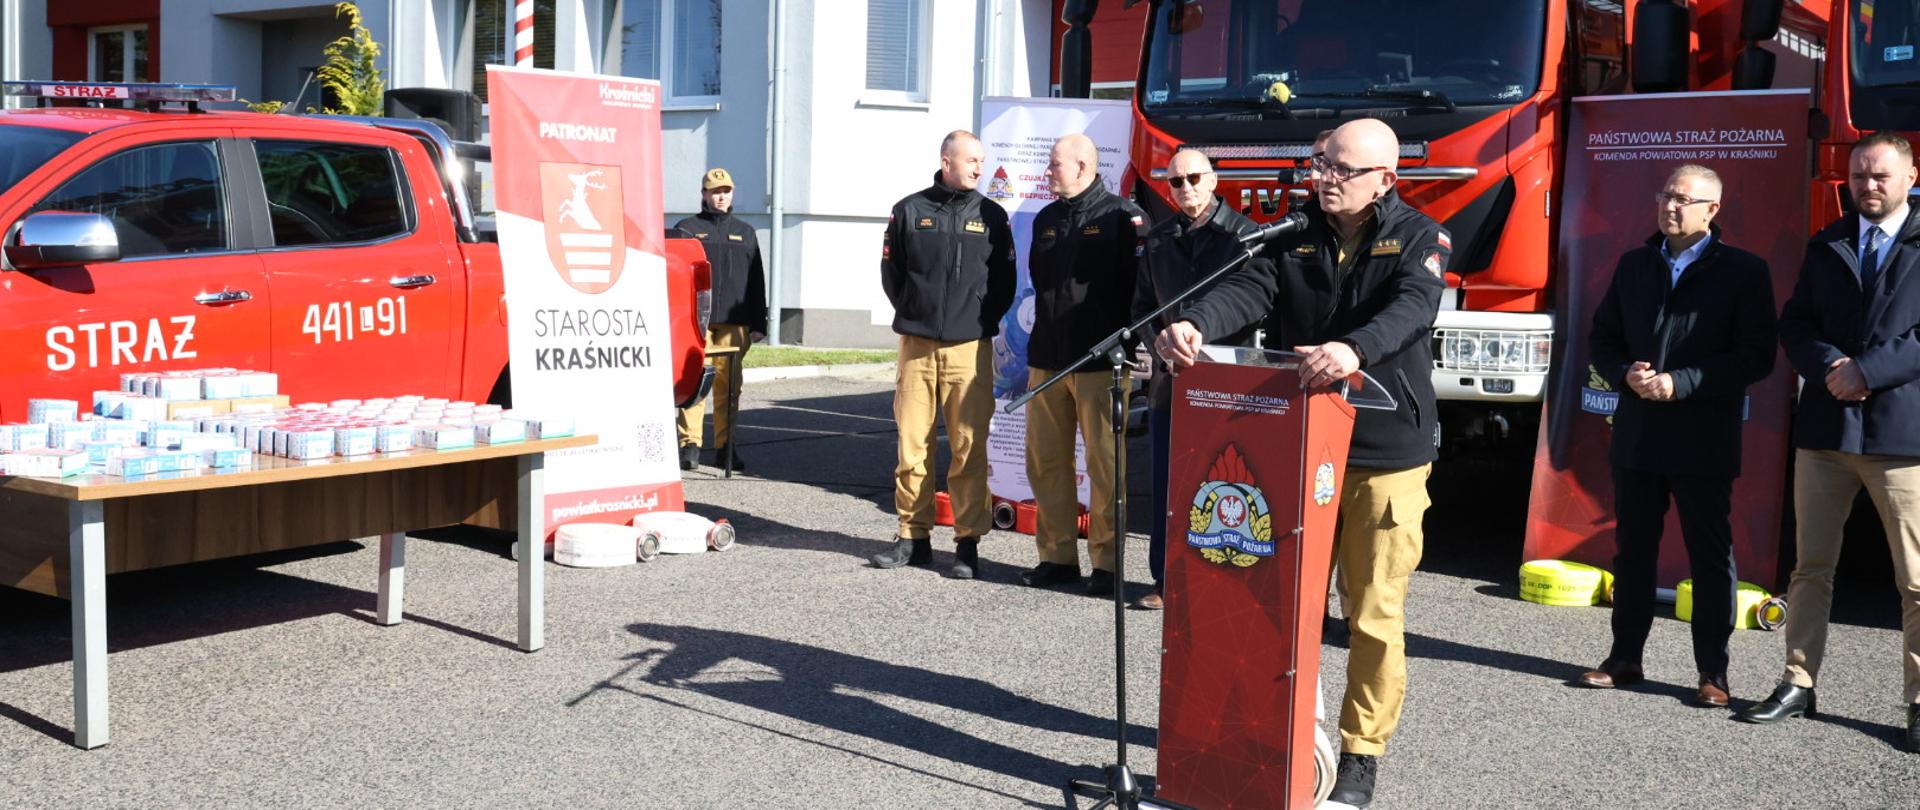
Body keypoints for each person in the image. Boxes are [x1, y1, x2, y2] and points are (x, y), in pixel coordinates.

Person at [1155, 119, 1447, 808]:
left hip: (1385, 452)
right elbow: (1250, 290)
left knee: (1373, 611)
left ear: (1384, 178)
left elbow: (1413, 308)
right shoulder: (1294, 231)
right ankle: (1287, 738)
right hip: (1300, 445)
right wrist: (1198, 320)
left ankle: (1360, 756)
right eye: (1323, 165)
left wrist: (1354, 348)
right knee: (1286, 605)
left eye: (1343, 169)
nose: (1326, 178)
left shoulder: (1418, 236)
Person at [1740, 132, 1920, 752]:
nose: (1868, 186)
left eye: (1881, 176)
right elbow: (1797, 322)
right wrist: (1830, 367)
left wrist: (1868, 371)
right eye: (1860, 176)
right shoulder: (1828, 243)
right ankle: (1797, 681)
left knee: (1917, 581)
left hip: (1904, 437)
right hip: (1827, 432)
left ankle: (1919, 704)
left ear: (1911, 175)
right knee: (1810, 568)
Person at [1576, 165, 1777, 708]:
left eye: (1685, 199)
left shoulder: (1743, 271)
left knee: (1709, 557)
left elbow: (1755, 356)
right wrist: (1626, 374)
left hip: (1702, 437)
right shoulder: (1634, 264)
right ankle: (1624, 659)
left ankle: (1714, 674)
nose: (1671, 206)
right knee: (1633, 550)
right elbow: (1603, 338)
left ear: (1713, 210)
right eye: (1666, 194)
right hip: (1639, 435)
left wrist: (1680, 383)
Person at [870, 131, 1016, 579]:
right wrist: (915, 314)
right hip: (916, 345)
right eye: (971, 160)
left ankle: (967, 544)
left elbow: (1004, 283)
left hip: (969, 348)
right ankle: (913, 538)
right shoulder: (909, 210)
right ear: (946, 160)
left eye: (982, 161)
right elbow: (891, 274)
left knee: (968, 448)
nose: (979, 168)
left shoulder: (992, 215)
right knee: (911, 445)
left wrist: (975, 322)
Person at [1127, 148, 1263, 610]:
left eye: (1194, 178)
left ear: (1214, 179)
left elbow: (1256, 304)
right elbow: (1143, 307)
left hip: (1226, 385)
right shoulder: (1159, 239)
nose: (1185, 188)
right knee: (1170, 486)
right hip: (1170, 384)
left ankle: (1222, 578)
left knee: (1226, 485)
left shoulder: (1245, 237)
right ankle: (1165, 582)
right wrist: (1160, 345)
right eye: (1176, 181)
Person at [1019, 134, 1150, 597]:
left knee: (1105, 467)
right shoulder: (1047, 218)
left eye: (1055, 165)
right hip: (1047, 359)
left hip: (1101, 362)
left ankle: (1108, 565)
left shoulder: (1122, 217)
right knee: (1046, 463)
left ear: (1082, 166)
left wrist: (1127, 346)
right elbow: (1040, 281)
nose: (1047, 172)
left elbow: (1139, 290)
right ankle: (1056, 558)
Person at [674, 168, 768, 471]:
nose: (721, 196)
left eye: (726, 190)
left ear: (732, 193)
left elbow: (756, 281)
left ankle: (726, 447)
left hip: (734, 323)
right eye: (715, 191)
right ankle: (690, 446)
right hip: (694, 323)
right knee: (694, 383)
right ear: (703, 194)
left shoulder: (745, 232)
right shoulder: (686, 229)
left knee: (729, 388)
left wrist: (759, 323)